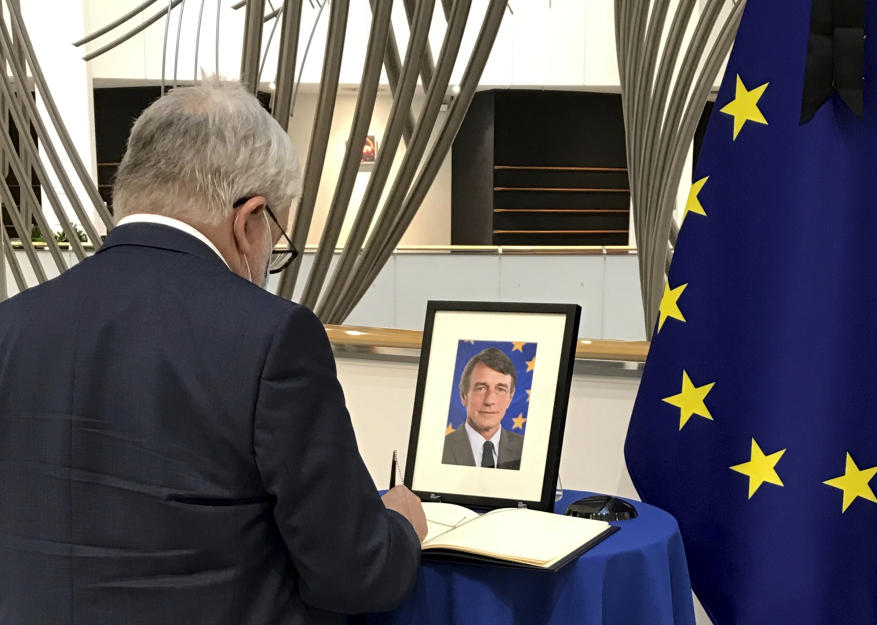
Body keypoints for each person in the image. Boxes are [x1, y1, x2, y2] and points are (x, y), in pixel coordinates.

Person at [0, 80, 426, 625]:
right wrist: (401, 526)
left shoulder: (12, 324)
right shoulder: (273, 337)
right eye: (278, 240)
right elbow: (355, 573)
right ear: (249, 218)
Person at [442, 347, 524, 470]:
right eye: (481, 388)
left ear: (510, 399)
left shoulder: (526, 450)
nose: (489, 401)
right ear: (464, 396)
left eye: (500, 389)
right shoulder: (440, 449)